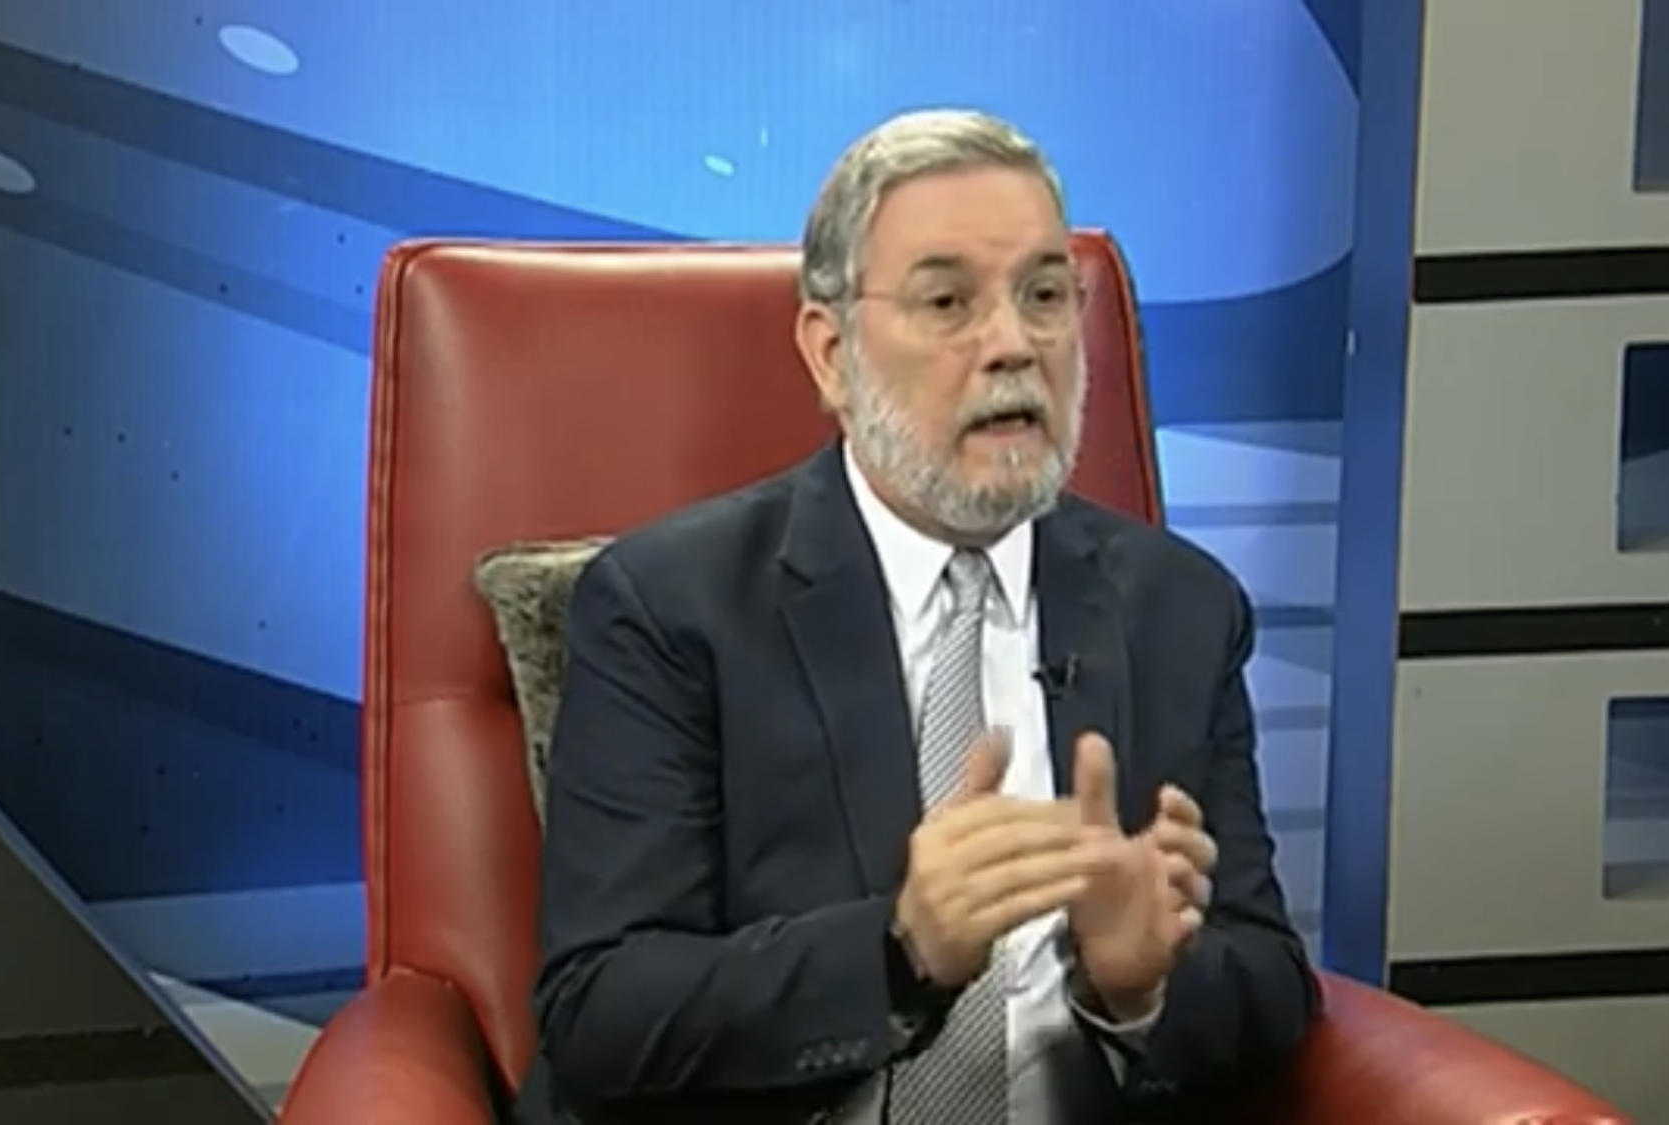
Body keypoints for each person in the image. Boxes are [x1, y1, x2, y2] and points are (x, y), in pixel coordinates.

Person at [516, 109, 1320, 1125]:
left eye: (1044, 296)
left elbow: (1274, 983)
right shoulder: (669, 607)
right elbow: (602, 1008)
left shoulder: (1180, 608)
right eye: (948, 301)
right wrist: (900, 950)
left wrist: (1138, 987)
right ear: (831, 354)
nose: (1013, 346)